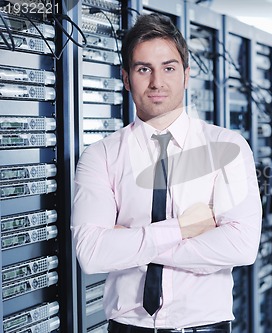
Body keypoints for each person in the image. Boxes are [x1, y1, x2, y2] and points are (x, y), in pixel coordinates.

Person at [71, 13, 262, 333]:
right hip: (128, 327)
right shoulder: (100, 156)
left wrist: (131, 243)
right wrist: (186, 227)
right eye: (144, 69)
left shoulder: (227, 148)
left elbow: (241, 245)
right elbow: (92, 255)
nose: (157, 82)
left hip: (204, 327)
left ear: (186, 75)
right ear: (126, 78)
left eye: (169, 68)